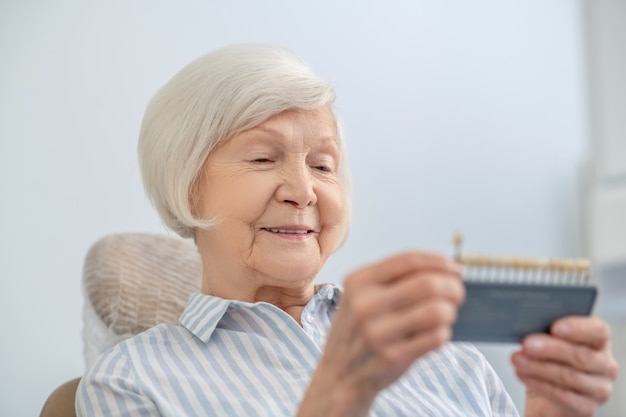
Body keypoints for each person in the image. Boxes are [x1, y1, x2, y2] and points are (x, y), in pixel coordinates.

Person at [76, 44, 618, 417]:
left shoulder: (451, 361)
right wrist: (339, 396)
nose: (304, 190)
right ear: (187, 187)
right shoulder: (131, 382)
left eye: (323, 165)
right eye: (264, 158)